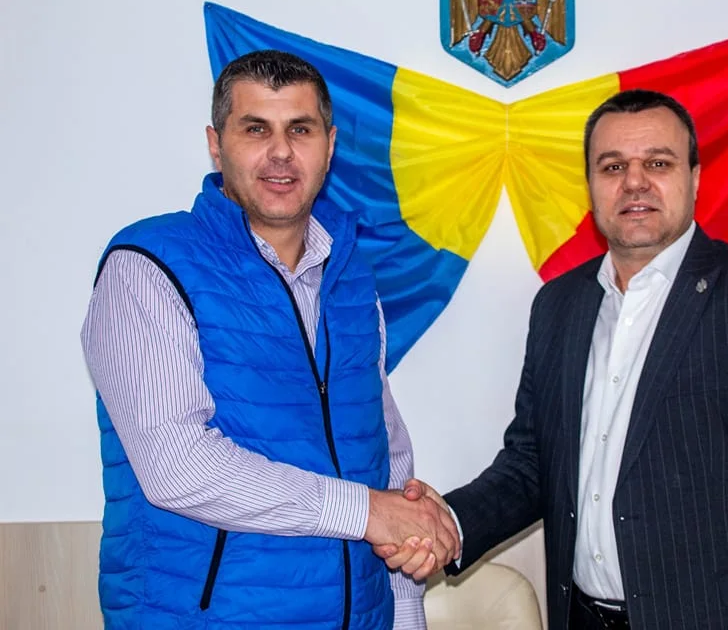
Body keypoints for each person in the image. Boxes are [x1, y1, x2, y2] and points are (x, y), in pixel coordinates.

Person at [379, 89, 728, 629]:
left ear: (694, 178)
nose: (634, 182)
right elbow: (534, 464)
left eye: (658, 163)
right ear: (591, 185)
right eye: (613, 166)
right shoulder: (558, 306)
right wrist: (448, 522)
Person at [81, 49, 458, 630]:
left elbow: (385, 452)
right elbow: (178, 466)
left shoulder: (352, 277)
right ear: (216, 144)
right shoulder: (148, 264)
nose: (280, 152)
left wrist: (405, 611)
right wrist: (367, 513)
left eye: (300, 130)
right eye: (256, 129)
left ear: (329, 146)